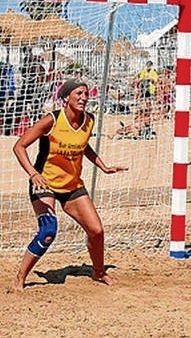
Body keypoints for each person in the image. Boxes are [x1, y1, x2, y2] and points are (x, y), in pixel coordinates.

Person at [12, 78, 128, 291]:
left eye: (86, 94)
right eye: (79, 94)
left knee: (96, 230)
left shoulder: (89, 120)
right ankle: (20, 277)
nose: (84, 97)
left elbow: (84, 146)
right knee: (48, 230)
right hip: (44, 183)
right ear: (65, 98)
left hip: (72, 186)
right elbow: (19, 146)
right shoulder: (51, 120)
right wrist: (33, 173)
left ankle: (98, 273)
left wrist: (103, 166)